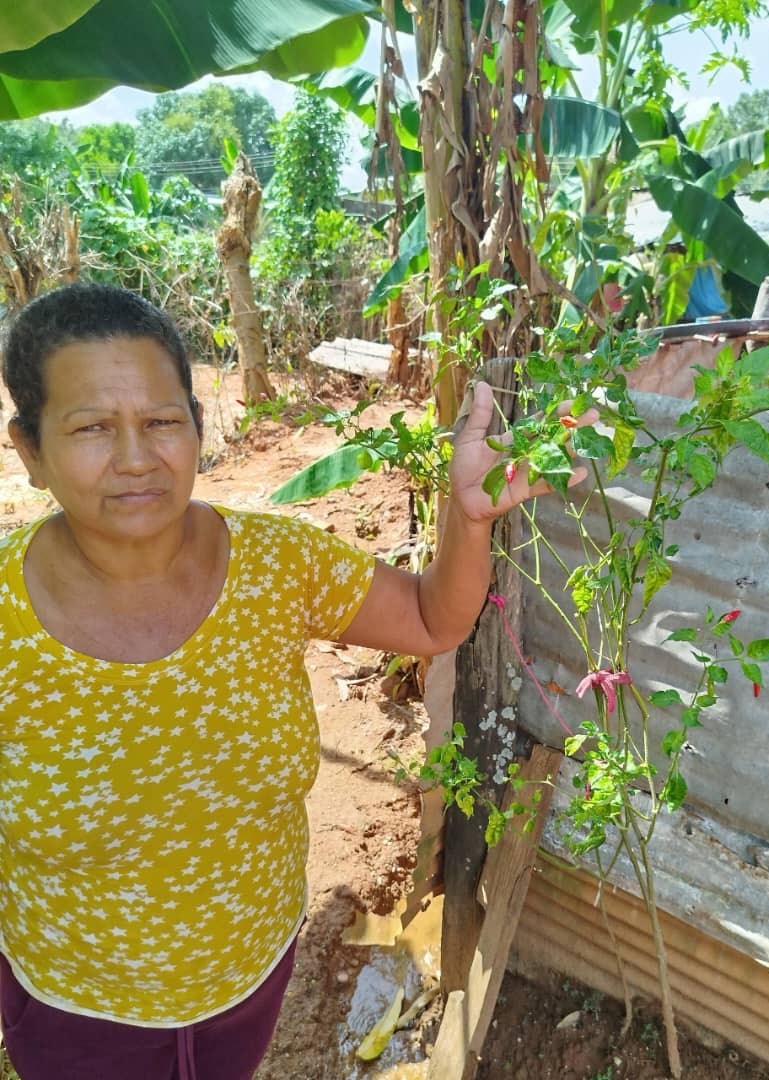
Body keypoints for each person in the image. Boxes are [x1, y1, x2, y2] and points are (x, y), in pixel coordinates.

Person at [0, 282, 594, 1080]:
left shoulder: (276, 563)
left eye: (163, 421)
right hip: (77, 1012)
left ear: (198, 428)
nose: (136, 457)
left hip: (252, 978)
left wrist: (470, 516)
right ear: (30, 451)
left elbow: (429, 620)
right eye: (92, 428)